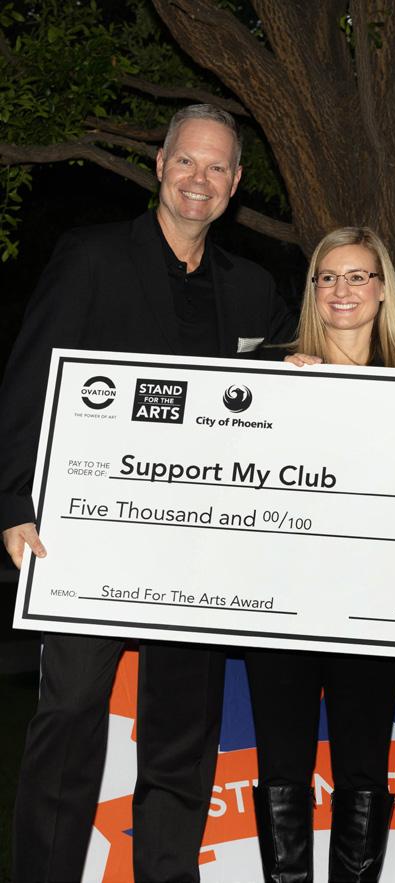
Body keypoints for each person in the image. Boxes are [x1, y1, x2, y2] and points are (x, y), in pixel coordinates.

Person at [0, 104, 294, 882]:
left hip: (198, 550)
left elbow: (291, 399)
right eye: (186, 160)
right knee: (69, 714)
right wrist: (13, 504)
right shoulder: (92, 256)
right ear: (161, 166)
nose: (200, 178)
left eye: (217, 167)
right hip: (89, 534)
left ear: (235, 183)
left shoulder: (253, 289)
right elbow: (31, 377)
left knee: (182, 734)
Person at [246, 227, 395, 883]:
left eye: (357, 276)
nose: (341, 290)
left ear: (382, 291)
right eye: (327, 277)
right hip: (281, 603)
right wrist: (281, 401)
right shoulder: (270, 375)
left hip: (371, 609)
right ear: (312, 290)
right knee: (280, 766)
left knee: (362, 768)